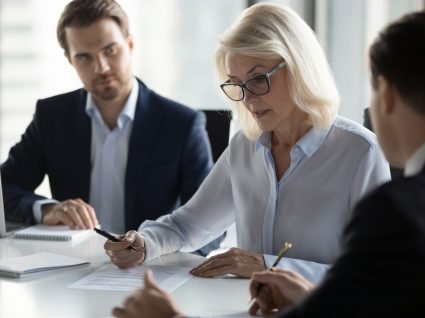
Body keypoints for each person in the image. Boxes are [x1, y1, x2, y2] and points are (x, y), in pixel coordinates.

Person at [110, 9, 425, 318]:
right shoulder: (245, 146)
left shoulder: (360, 153)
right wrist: (145, 242)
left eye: (258, 78)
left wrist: (270, 264)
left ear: (298, 68)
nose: (248, 98)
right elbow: (189, 225)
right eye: (237, 83)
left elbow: (373, 282)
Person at [0, 0, 222, 256]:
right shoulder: (52, 117)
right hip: (71, 272)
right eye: (84, 57)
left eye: (110, 50)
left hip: (151, 273)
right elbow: (5, 189)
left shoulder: (182, 124)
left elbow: (210, 229)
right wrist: (48, 210)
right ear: (69, 59)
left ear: (130, 44)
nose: (101, 67)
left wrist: (160, 254)